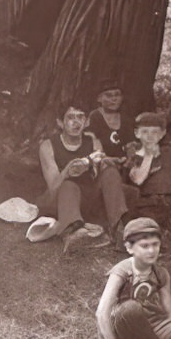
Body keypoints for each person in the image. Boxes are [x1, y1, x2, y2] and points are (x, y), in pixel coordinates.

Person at [35, 98, 130, 244]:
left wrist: (105, 163)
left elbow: (100, 175)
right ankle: (72, 232)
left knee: (110, 172)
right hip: (60, 200)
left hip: (86, 199)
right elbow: (53, 187)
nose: (76, 122)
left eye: (80, 117)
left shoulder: (94, 143)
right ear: (60, 123)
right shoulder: (48, 146)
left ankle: (118, 228)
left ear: (87, 122)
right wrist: (68, 170)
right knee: (69, 185)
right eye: (70, 117)